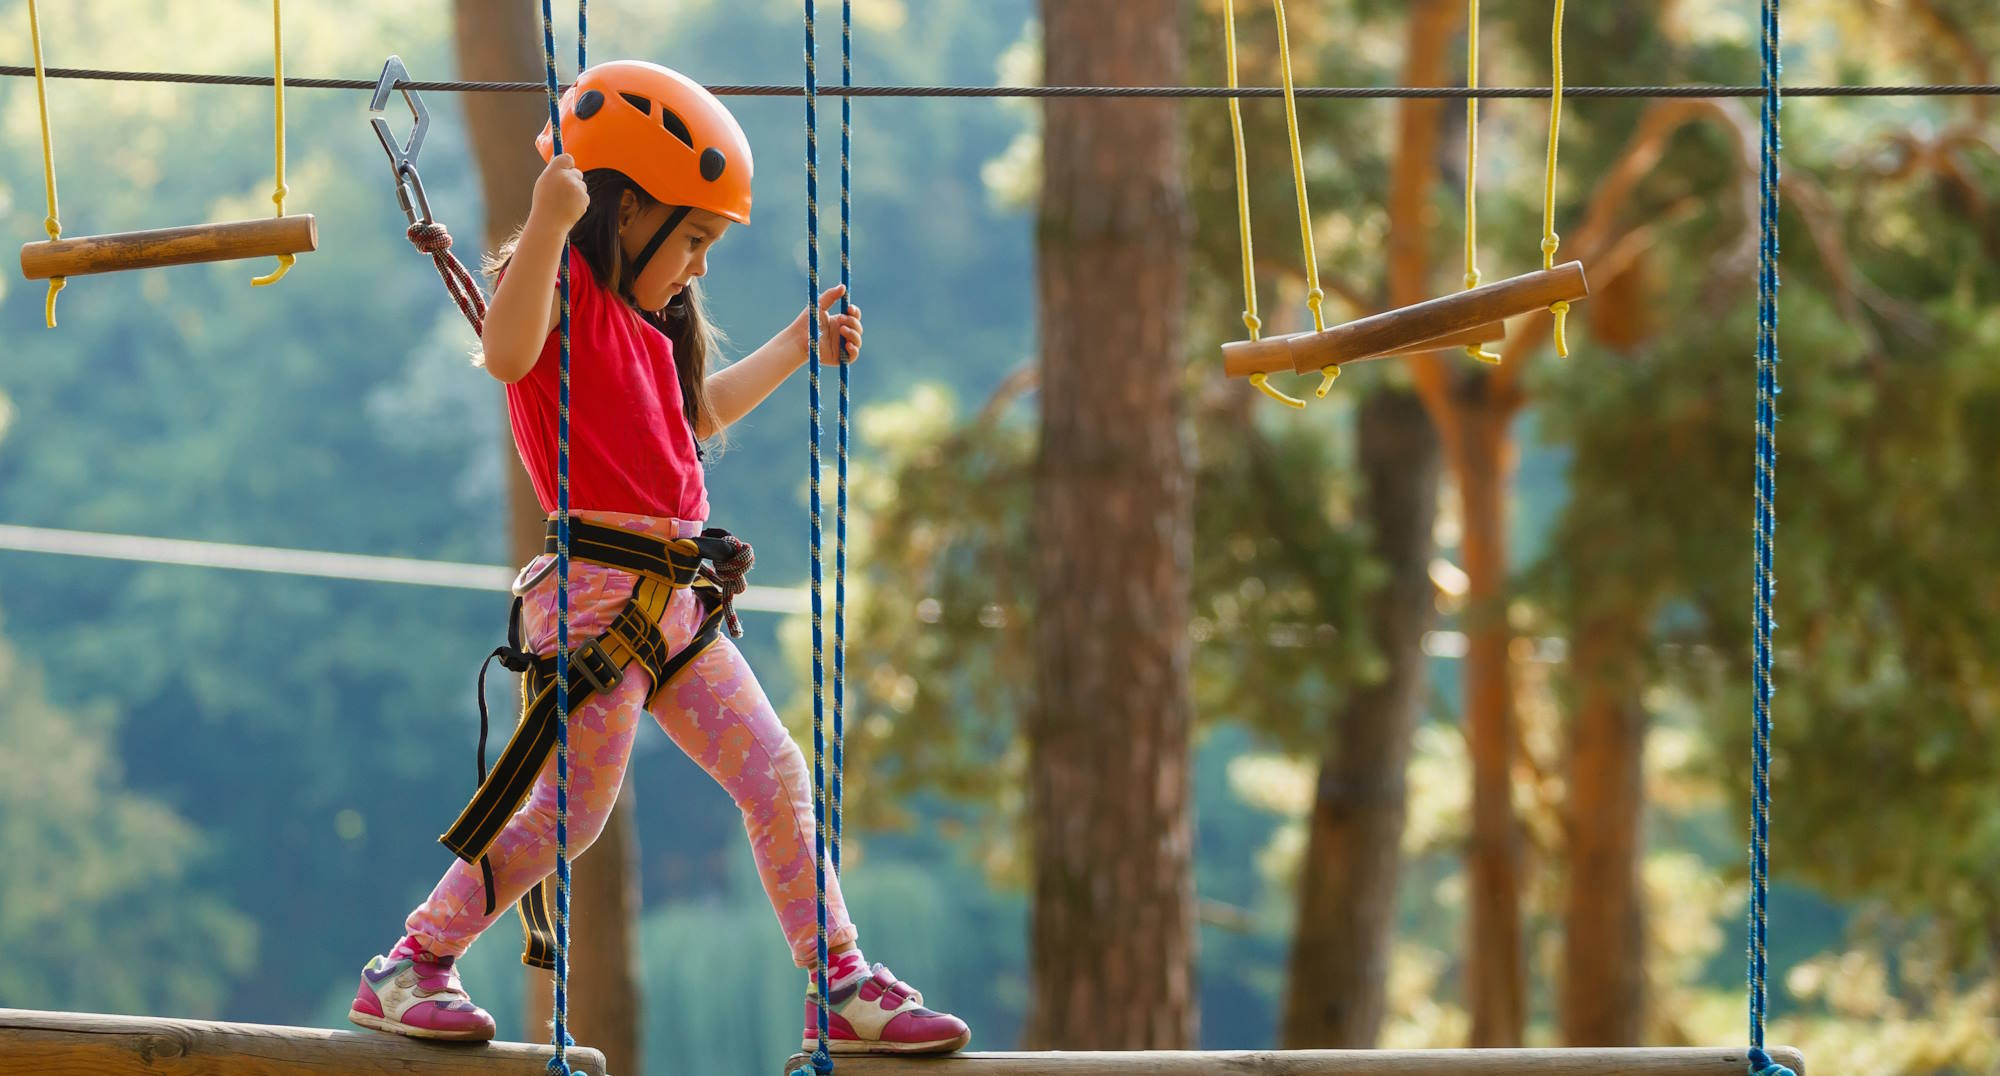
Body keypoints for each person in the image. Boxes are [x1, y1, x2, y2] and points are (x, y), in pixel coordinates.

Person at [347, 60, 970, 1057]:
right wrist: (550, 220)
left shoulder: (645, 328)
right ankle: (410, 961)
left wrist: (795, 344)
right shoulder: (558, 289)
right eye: (692, 237)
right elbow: (505, 354)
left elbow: (695, 418)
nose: (700, 264)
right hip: (596, 599)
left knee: (774, 769)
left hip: (674, 602)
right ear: (624, 209)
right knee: (571, 812)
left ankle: (840, 980)